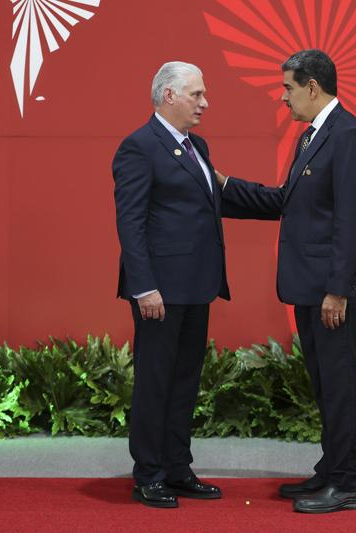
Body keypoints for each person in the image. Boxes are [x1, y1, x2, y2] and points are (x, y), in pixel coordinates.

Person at [216, 49, 356, 514]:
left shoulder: (347, 135)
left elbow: (352, 219)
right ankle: (332, 469)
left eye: (288, 88)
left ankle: (347, 482)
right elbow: (287, 202)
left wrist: (338, 289)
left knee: (339, 383)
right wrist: (223, 187)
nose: (283, 97)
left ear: (313, 87)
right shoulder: (313, 136)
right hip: (312, 285)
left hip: (332, 288)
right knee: (325, 382)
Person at [112, 61, 228, 509]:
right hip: (159, 291)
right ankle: (149, 474)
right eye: (196, 94)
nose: (205, 103)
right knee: (155, 382)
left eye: (204, 94)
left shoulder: (197, 146)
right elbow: (131, 222)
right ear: (169, 96)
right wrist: (144, 287)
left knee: (184, 382)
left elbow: (211, 201)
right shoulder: (139, 147)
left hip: (196, 287)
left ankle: (178, 468)